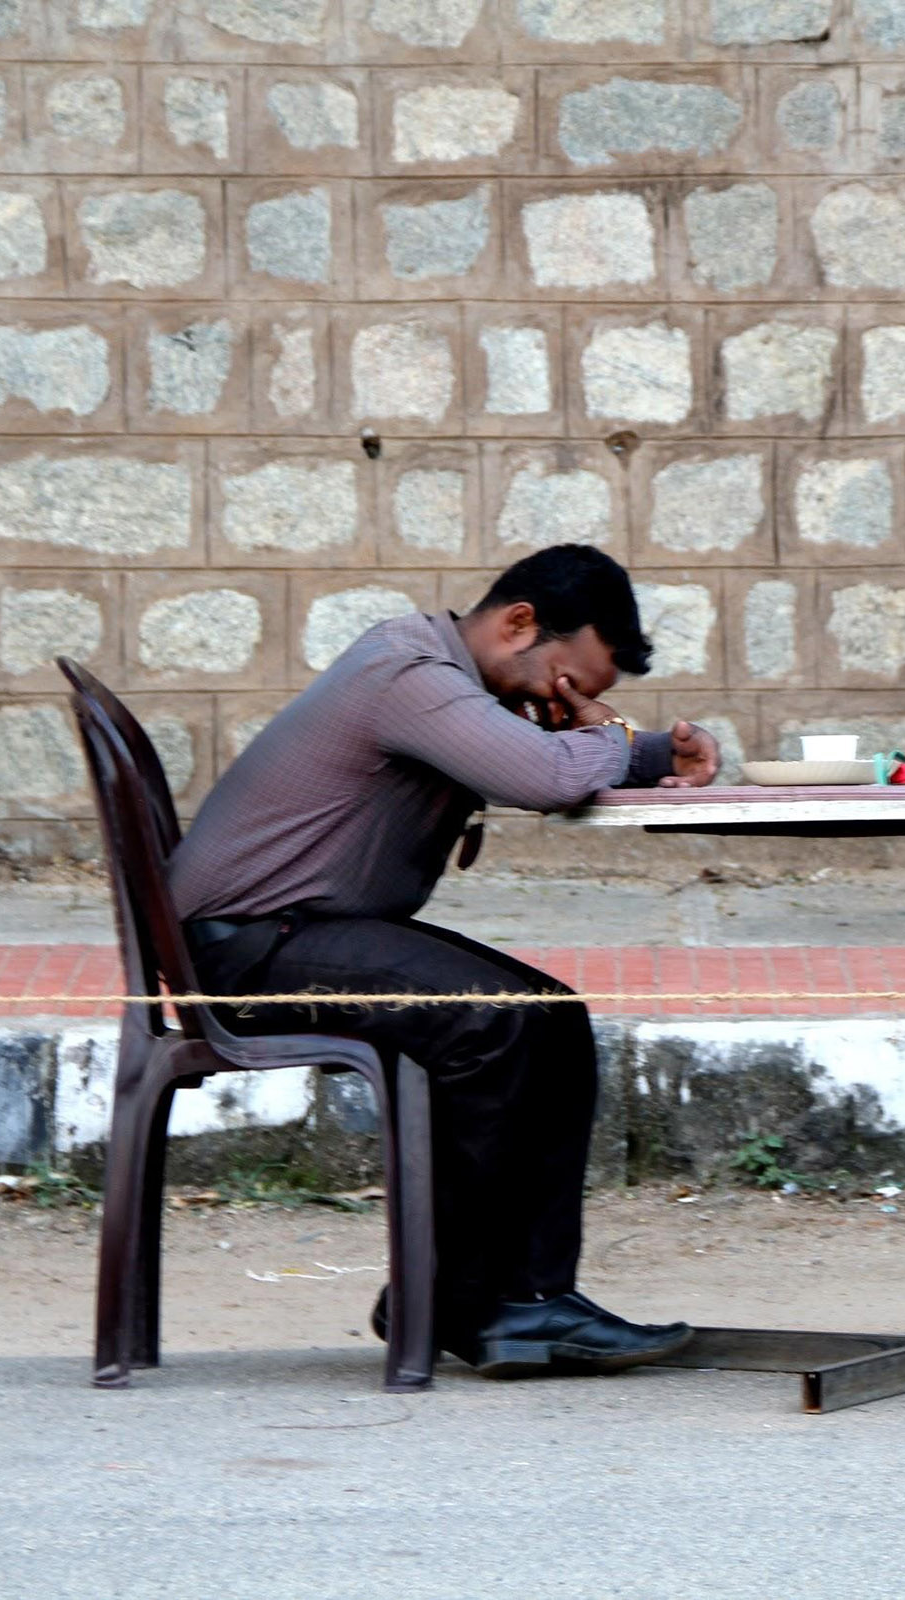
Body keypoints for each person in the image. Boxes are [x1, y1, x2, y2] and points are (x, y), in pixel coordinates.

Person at [167, 544, 722, 1378]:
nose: (556, 702)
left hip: (296, 935)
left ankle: (531, 1304)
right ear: (519, 623)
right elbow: (537, 772)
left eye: (581, 696)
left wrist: (655, 756)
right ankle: (453, 1300)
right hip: (252, 950)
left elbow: (529, 757)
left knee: (551, 1018)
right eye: (561, 682)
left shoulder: (439, 674)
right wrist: (614, 742)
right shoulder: (409, 670)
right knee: (492, 1021)